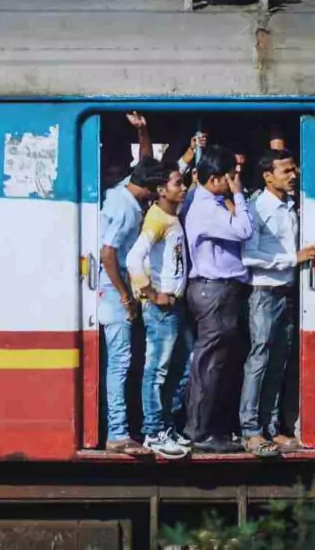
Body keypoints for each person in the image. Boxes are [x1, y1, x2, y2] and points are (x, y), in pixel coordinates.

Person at [240, 149, 315, 455]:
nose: (293, 175)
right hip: (263, 292)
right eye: (285, 171)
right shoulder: (256, 208)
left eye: (293, 169)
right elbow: (248, 256)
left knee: (278, 361)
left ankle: (270, 428)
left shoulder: (289, 205)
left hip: (285, 291)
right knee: (259, 359)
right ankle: (250, 430)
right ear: (267, 176)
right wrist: (292, 259)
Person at [99, 153, 173, 456]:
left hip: (114, 292)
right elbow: (108, 254)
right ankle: (117, 432)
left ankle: (117, 428)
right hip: (114, 294)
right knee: (120, 362)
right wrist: (126, 296)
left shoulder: (118, 192)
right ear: (154, 189)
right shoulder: (128, 210)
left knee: (119, 361)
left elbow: (144, 160)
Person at [181, 145, 253, 453]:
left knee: (213, 363)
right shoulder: (208, 209)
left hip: (212, 290)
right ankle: (200, 433)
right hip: (215, 290)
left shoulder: (199, 200)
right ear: (213, 180)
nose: (234, 181)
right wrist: (238, 195)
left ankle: (206, 428)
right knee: (210, 365)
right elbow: (245, 230)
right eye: (229, 177)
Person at [126, 161, 193, 459]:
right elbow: (133, 259)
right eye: (178, 183)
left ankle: (165, 426)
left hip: (174, 305)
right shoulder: (157, 219)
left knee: (182, 366)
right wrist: (151, 293)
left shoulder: (169, 215)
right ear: (161, 190)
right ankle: (153, 432)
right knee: (158, 370)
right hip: (162, 309)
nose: (184, 187)